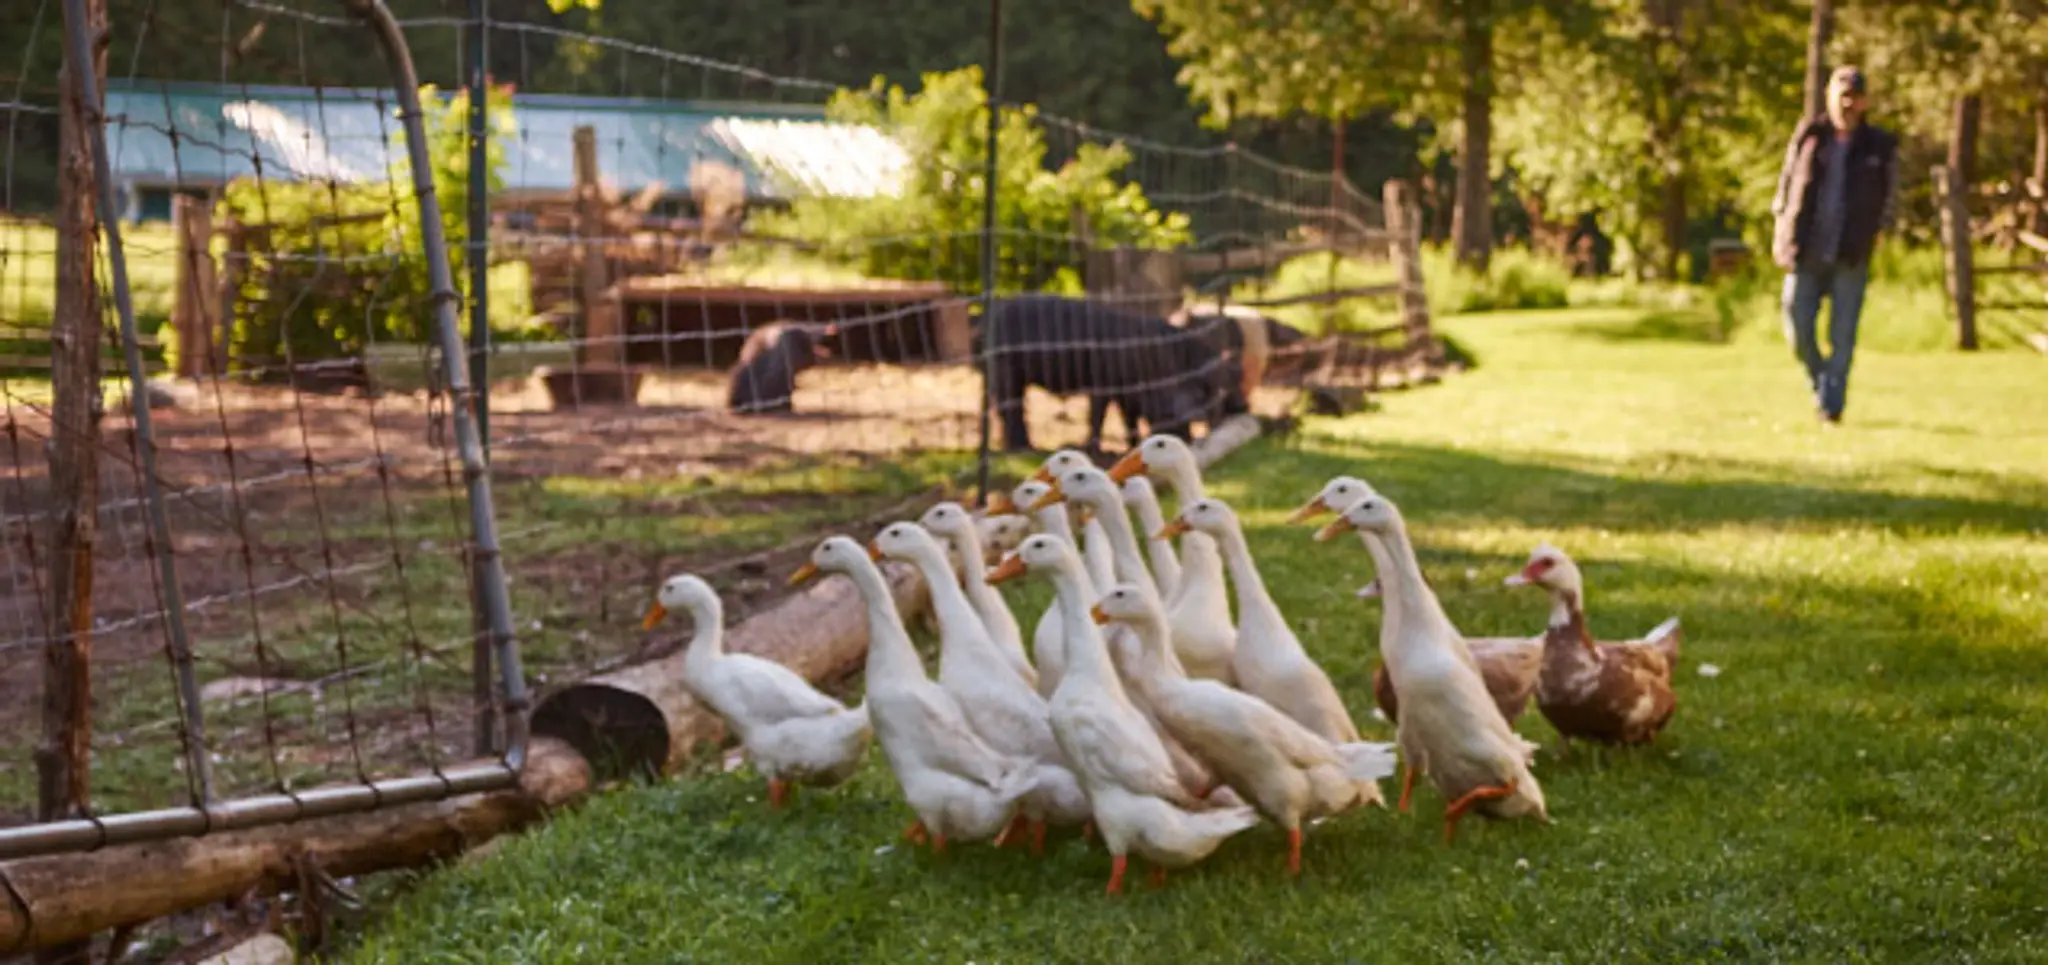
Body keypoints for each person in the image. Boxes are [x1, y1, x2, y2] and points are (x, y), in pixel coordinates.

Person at [1769, 65, 1898, 425]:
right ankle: (1820, 382)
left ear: (1864, 101)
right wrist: (1780, 230)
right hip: (1805, 247)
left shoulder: (1879, 146)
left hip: (1851, 251)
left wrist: (1882, 230)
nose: (1847, 103)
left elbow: (1891, 195)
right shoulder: (1810, 135)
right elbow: (1786, 183)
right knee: (1797, 325)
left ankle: (1832, 406)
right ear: (1829, 96)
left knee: (1842, 334)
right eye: (1841, 94)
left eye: (1854, 96)